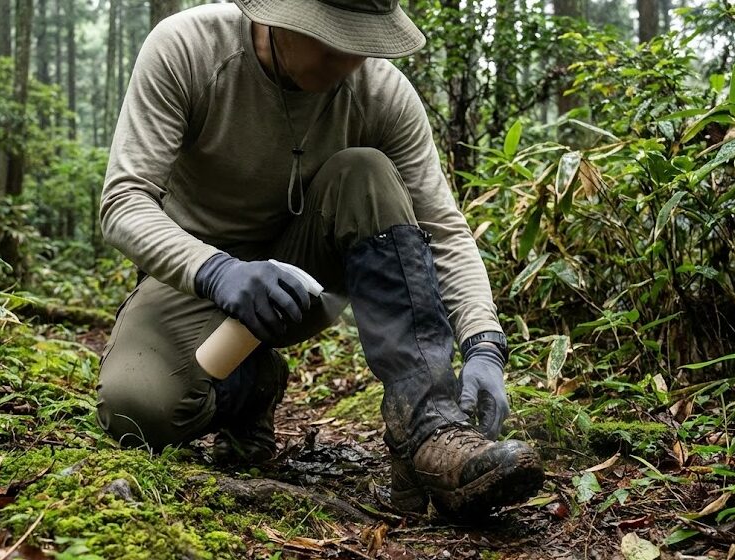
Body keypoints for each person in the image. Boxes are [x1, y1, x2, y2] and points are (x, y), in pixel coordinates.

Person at [96, 0, 543, 517]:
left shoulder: (382, 92)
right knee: (136, 410)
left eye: (364, 41)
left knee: (367, 172)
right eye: (333, 39)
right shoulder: (189, 49)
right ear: (278, 17)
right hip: (198, 275)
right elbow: (124, 200)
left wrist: (484, 345)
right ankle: (252, 387)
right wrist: (217, 271)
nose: (352, 58)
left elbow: (442, 227)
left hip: (303, 284)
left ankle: (428, 431)